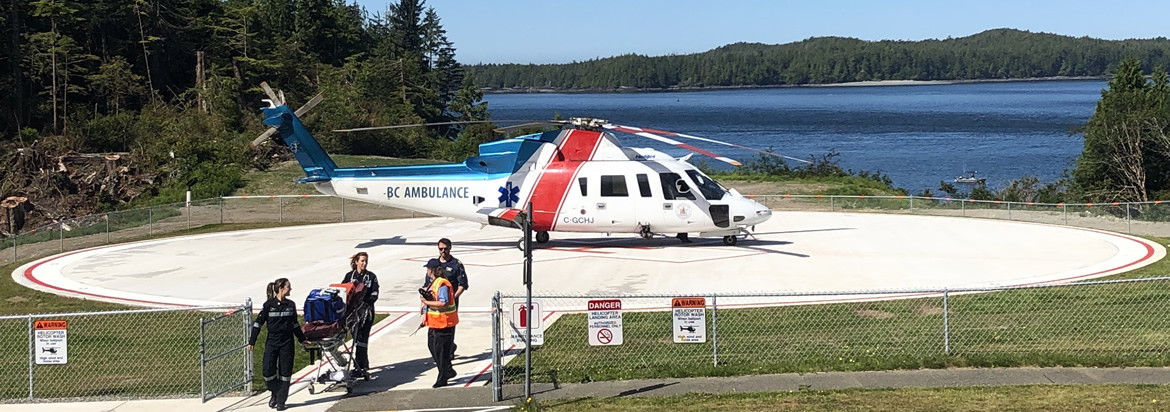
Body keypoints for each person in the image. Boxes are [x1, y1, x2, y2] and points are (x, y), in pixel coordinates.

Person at [249, 278, 307, 411]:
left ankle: (281, 401)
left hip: (287, 342)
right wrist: (252, 341)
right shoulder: (269, 305)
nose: (290, 289)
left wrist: (302, 339)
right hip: (272, 341)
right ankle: (275, 391)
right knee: (267, 370)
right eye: (288, 287)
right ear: (281, 288)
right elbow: (258, 324)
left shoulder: (291, 305)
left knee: (285, 373)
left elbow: (295, 324)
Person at [423, 238, 467, 357]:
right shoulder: (434, 265)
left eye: (445, 249)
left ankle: (448, 351)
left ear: (450, 248)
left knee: (449, 328)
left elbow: (462, 284)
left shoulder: (456, 264)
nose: (443, 251)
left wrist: (453, 297)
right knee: (434, 333)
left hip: (449, 304)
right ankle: (443, 351)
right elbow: (427, 284)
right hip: (434, 304)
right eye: (441, 249)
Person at [420, 258, 458, 387]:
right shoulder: (434, 283)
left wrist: (426, 302)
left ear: (431, 270)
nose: (427, 271)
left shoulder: (442, 284)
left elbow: (443, 302)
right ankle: (447, 370)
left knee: (441, 352)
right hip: (435, 323)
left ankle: (443, 378)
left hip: (444, 323)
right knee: (433, 347)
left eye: (427, 269)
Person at [341, 251, 379, 378]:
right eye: (362, 261)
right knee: (356, 339)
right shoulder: (349, 276)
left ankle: (361, 365)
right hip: (352, 314)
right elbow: (343, 291)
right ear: (356, 262)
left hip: (366, 313)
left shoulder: (371, 276)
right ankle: (361, 363)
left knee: (363, 338)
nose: (364, 263)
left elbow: (375, 294)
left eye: (366, 261)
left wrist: (364, 303)